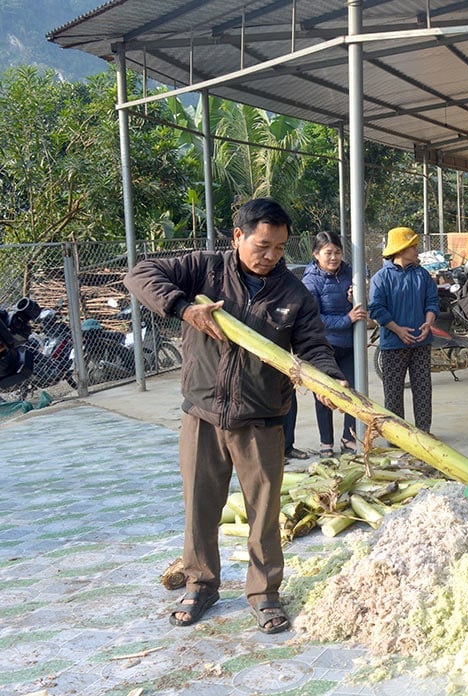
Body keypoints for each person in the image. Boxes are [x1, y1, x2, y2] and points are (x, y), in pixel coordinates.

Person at [125, 197, 343, 633]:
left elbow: (314, 347)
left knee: (264, 512)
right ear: (238, 235)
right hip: (202, 414)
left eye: (280, 248)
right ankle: (201, 585)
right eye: (263, 245)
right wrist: (184, 308)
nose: (271, 256)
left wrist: (329, 382)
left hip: (262, 418)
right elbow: (139, 274)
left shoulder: (294, 293)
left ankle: (264, 593)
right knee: (199, 507)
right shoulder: (204, 269)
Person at [303, 230, 369, 455]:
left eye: (338, 252)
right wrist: (346, 319)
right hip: (323, 349)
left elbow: (362, 297)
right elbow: (314, 318)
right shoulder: (310, 281)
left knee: (353, 391)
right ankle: (326, 443)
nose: (333, 257)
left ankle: (348, 438)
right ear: (316, 254)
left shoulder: (351, 273)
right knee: (324, 395)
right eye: (328, 253)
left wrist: (356, 297)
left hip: (350, 346)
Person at [369, 227, 439, 433]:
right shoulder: (381, 278)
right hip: (392, 345)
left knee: (423, 389)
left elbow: (432, 302)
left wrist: (429, 323)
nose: (417, 250)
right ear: (401, 249)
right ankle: (396, 435)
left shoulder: (423, 275)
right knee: (393, 392)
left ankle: (424, 431)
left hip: (421, 343)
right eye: (413, 246)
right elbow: (376, 309)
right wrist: (398, 330)